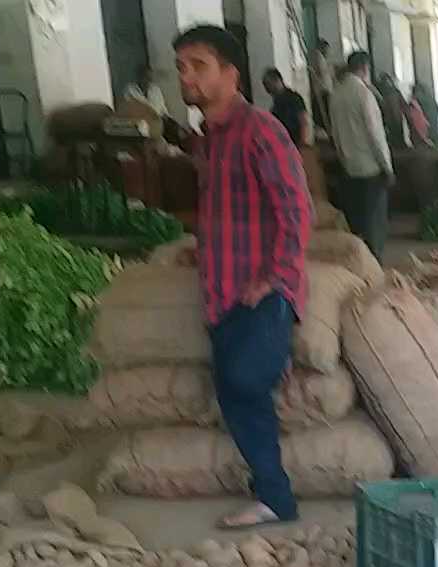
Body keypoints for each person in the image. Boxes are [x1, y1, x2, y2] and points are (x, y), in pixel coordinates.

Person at [175, 24, 314, 530]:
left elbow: (297, 209)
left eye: (197, 65)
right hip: (222, 289)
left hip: (261, 292)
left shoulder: (261, 130)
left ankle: (277, 497)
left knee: (243, 382)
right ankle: (272, 494)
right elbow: (228, 208)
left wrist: (274, 276)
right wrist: (202, 250)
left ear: (230, 74)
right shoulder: (208, 140)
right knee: (233, 389)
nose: (186, 76)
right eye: (181, 67)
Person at [329, 52, 394, 258]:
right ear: (365, 67)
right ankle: (375, 270)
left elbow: (336, 135)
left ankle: (360, 268)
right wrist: (387, 168)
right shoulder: (364, 94)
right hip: (371, 170)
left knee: (357, 225)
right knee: (374, 226)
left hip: (349, 169)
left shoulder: (336, 95)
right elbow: (376, 135)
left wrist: (343, 158)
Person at [262, 68, 311, 146]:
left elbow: (303, 120)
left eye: (269, 83)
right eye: (266, 85)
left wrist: (303, 143)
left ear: (278, 80)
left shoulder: (294, 98)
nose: (268, 88)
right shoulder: (276, 104)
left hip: (295, 141)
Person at [310, 39, 338, 128]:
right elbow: (322, 72)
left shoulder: (322, 59)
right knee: (325, 117)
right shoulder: (318, 57)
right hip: (323, 92)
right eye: (327, 50)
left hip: (325, 91)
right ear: (322, 48)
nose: (328, 53)